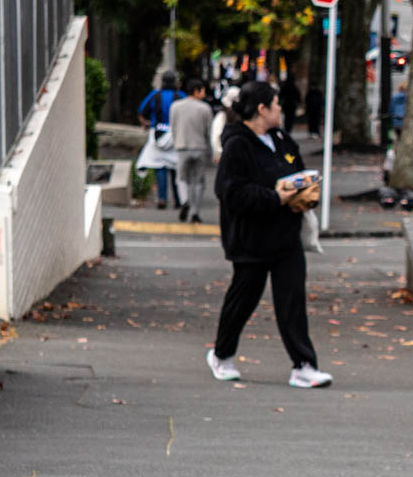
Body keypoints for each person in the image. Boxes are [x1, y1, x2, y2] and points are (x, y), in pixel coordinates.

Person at [208, 81, 332, 389]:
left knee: (292, 300)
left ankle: (304, 365)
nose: (281, 110)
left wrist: (304, 191)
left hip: (285, 236)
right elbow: (231, 193)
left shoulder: (281, 139)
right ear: (261, 109)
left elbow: (297, 169)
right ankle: (222, 354)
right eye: (276, 105)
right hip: (250, 239)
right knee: (243, 298)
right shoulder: (237, 145)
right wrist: (276, 197)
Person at [168, 78, 214, 224]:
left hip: (182, 146)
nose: (204, 93)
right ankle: (195, 212)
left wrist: (176, 142)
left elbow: (173, 127)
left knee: (181, 178)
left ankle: (184, 200)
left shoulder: (175, 106)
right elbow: (209, 131)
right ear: (196, 91)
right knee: (198, 181)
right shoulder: (205, 108)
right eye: (202, 90)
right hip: (200, 147)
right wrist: (210, 150)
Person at [136, 69, 183, 208]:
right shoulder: (181, 96)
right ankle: (178, 199)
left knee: (160, 166)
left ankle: (162, 199)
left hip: (157, 135)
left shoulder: (155, 95)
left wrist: (146, 124)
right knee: (175, 167)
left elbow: (141, 112)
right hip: (176, 135)